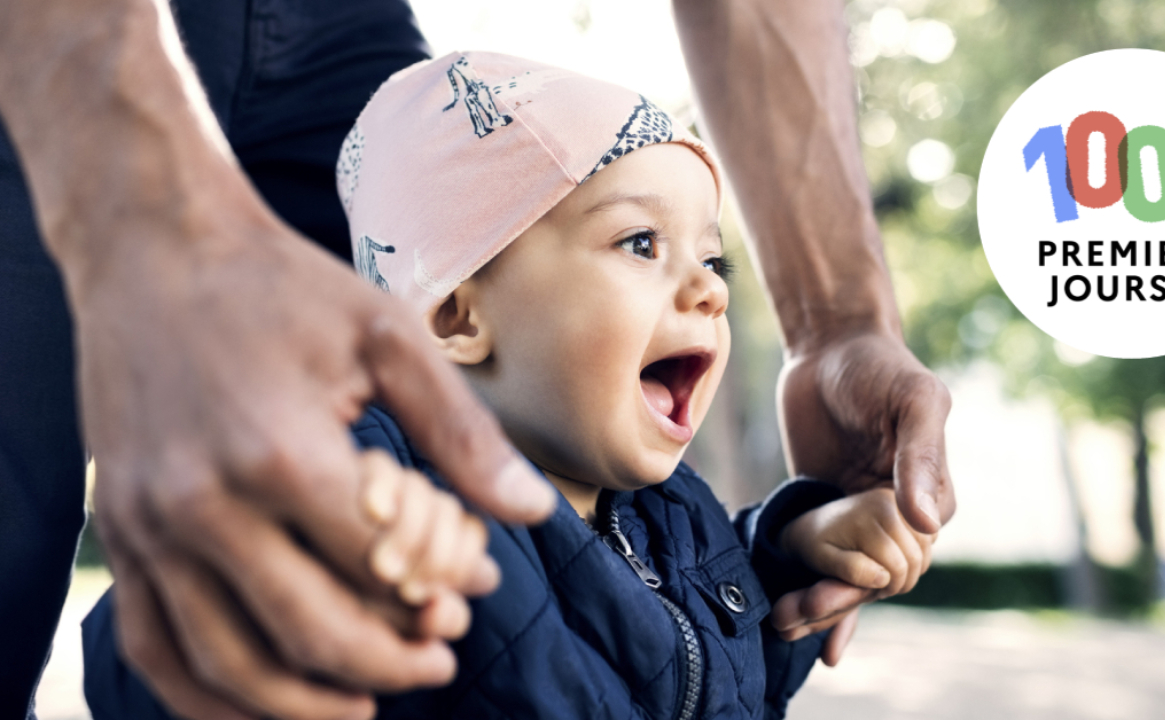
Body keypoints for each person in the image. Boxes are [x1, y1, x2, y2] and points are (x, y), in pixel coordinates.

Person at [0, 0, 955, 717]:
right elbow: (156, 652)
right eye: (640, 244)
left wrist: (792, 556)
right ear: (457, 314)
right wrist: (300, 576)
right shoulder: (398, 508)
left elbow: (713, 651)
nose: (709, 291)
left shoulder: (675, 517)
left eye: (713, 261)